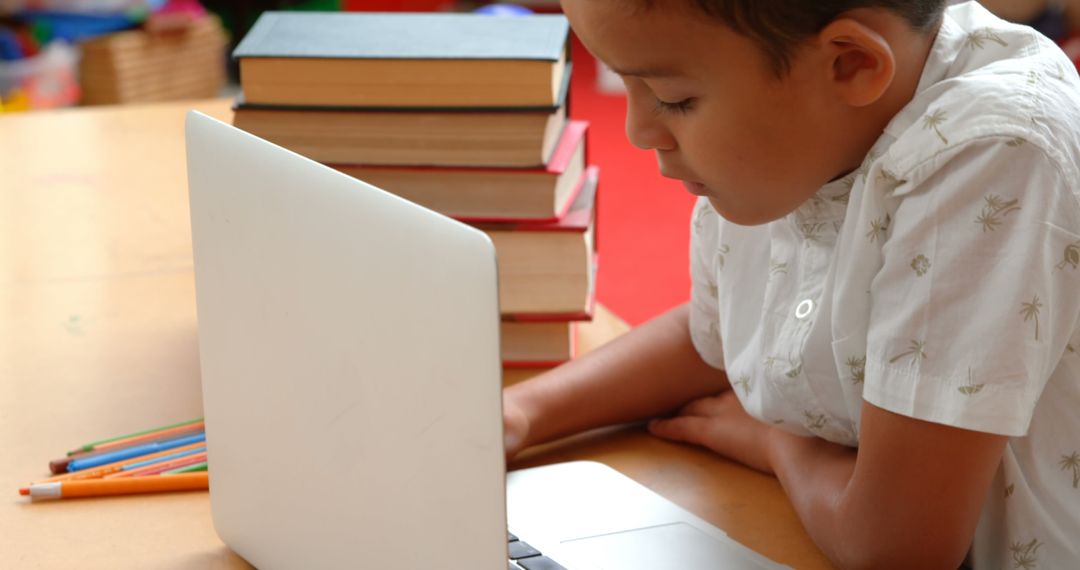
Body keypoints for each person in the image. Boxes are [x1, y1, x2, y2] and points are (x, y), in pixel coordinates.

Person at [502, 0, 1080, 567]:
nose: (636, 131)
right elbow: (728, 336)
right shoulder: (806, 132)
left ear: (849, 63)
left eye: (673, 98)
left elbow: (895, 546)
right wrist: (523, 412)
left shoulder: (990, 154)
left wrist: (779, 442)